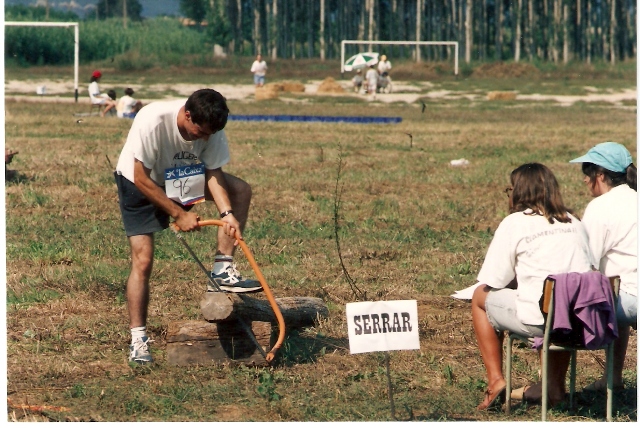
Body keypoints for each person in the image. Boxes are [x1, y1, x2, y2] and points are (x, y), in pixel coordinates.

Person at [114, 88, 262, 365]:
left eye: (209, 134)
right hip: (139, 183)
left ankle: (222, 268)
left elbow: (213, 171)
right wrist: (178, 214)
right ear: (187, 114)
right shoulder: (152, 120)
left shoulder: (211, 128)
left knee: (240, 190)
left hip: (179, 176)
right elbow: (141, 177)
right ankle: (139, 340)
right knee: (143, 261)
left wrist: (227, 213)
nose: (204, 138)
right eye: (199, 132)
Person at [471, 163, 592, 410]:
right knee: (560, 305)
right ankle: (554, 387)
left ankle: (495, 381)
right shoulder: (574, 221)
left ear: (519, 192)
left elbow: (494, 279)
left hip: (538, 319)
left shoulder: (515, 222)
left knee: (478, 298)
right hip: (579, 319)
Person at [569, 142, 637, 392]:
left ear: (600, 175)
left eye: (587, 173)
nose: (585, 181)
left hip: (628, 300)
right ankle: (613, 377)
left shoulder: (600, 207)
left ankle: (551, 384)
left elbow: (585, 262)